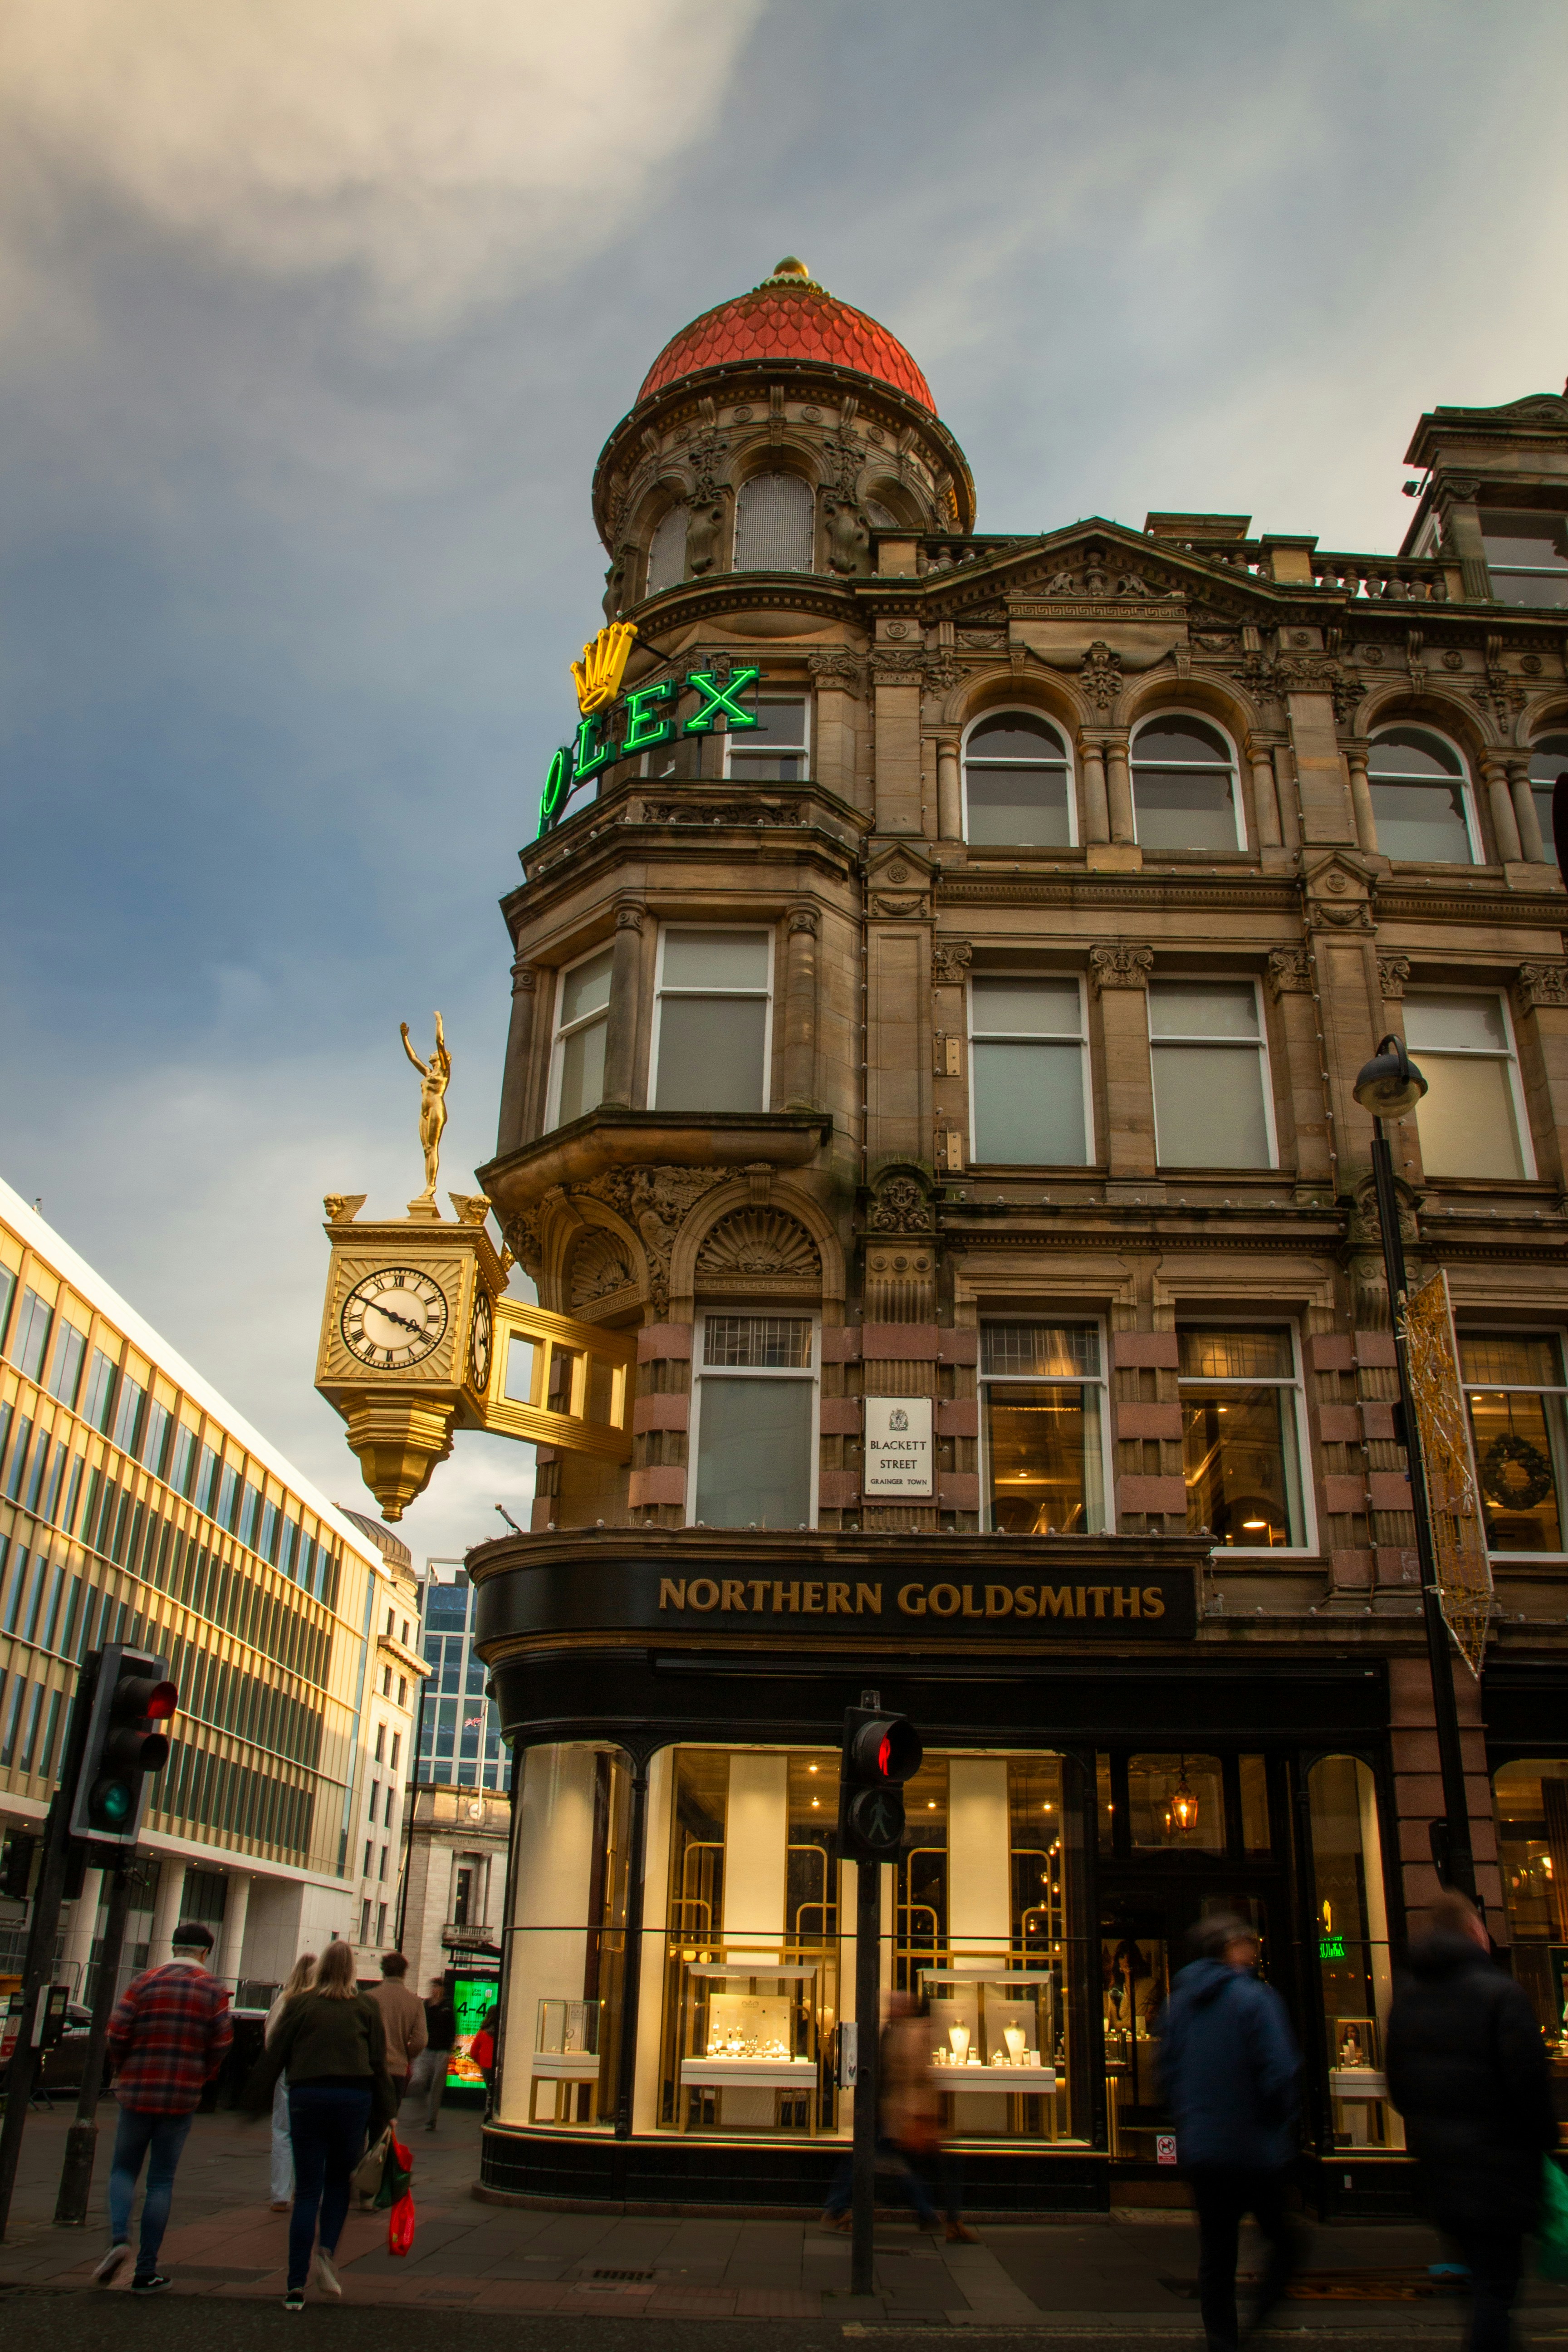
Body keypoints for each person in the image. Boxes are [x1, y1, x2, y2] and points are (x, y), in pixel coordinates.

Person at [1387, 1886, 1558, 2352]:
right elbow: (1530, 2086)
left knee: (1480, 2290)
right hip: (1500, 2172)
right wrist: (1545, 2144)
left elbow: (1399, 2088)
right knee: (1496, 2294)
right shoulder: (1501, 1993)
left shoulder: (1408, 1998)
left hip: (1442, 2172)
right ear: (1472, 1930)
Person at [1160, 1912, 1302, 2352]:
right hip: (1253, 2147)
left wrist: (1188, 2121)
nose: (1252, 1953)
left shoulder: (1179, 2004)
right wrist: (1282, 2127)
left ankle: (1221, 2340)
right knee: (1286, 2242)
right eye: (1246, 1945)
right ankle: (1258, 2324)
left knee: (1216, 2254)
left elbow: (1165, 2073)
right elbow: (1281, 2072)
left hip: (1204, 2149)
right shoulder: (1255, 1999)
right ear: (1227, 1950)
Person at [253, 1939, 396, 2312]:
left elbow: (276, 2054)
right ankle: (327, 2253)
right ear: (351, 1971)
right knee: (337, 2185)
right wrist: (388, 2112)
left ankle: (294, 2286)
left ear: (320, 1970)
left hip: (307, 2097)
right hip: (353, 2100)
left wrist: (252, 2101)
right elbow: (378, 2063)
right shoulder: (366, 2006)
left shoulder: (301, 2005)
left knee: (307, 2191)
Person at [94, 1919, 234, 2293]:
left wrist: (125, 2067)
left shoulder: (145, 1982)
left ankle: (120, 2238)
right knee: (161, 2179)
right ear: (206, 1952)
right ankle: (146, 2270)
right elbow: (222, 2042)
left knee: (123, 2169)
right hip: (181, 2095)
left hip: (137, 2089)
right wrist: (202, 2073)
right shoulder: (213, 1990)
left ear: (174, 1948)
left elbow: (116, 2030)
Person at [264, 1954, 317, 2209]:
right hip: (312, 2072)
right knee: (311, 2133)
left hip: (286, 2070)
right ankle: (304, 2188)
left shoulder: (284, 2001)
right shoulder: (318, 2002)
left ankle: (280, 2194)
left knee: (282, 2131)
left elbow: (270, 2036)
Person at [367, 1950, 426, 2109]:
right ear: (404, 1973)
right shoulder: (415, 2003)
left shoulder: (369, 1998)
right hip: (397, 2071)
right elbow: (420, 2040)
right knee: (386, 2124)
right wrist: (407, 2055)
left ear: (383, 1971)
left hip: (369, 2070)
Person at [403, 1976, 456, 2132]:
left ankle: (431, 2119)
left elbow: (452, 2029)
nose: (433, 1990)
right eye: (432, 1987)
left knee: (436, 2087)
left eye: (436, 1987)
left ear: (441, 1990)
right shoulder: (425, 2005)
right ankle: (420, 2107)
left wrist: (449, 2048)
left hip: (442, 2051)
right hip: (426, 2049)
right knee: (416, 2081)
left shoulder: (448, 2006)